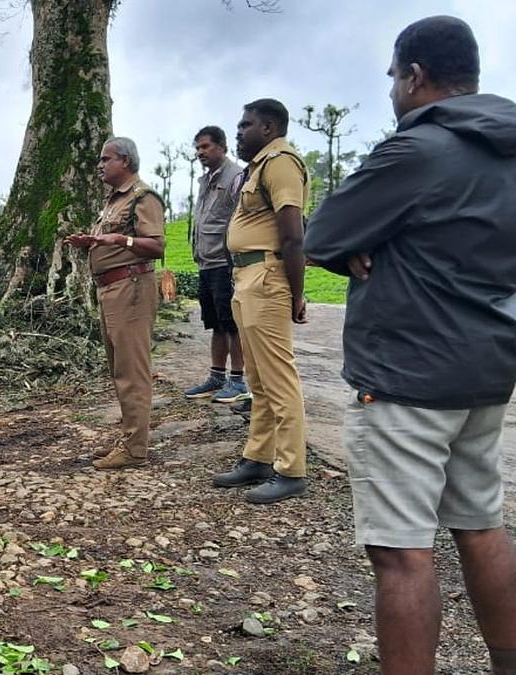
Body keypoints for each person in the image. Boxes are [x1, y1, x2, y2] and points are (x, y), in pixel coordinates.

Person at [305, 17, 516, 674]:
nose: (394, 91)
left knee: (402, 552)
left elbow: (324, 234)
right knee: (482, 525)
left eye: (395, 77)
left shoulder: (415, 152)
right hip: (486, 372)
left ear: (414, 75)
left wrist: (374, 243)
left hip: (405, 377)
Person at [210, 99, 310, 504]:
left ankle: (292, 469)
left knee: (278, 378)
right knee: (257, 378)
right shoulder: (259, 166)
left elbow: (293, 234)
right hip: (246, 276)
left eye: (245, 124)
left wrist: (296, 293)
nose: (238, 131)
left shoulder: (281, 161)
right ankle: (259, 457)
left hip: (267, 276)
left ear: (268, 128)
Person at [65, 137, 165, 470]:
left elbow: (156, 246)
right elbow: (109, 240)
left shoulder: (142, 198)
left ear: (124, 161)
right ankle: (130, 439)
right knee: (119, 370)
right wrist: (91, 243)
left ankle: (136, 450)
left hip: (132, 288)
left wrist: (120, 239)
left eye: (106, 159)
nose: (100, 165)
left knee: (132, 372)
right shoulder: (112, 201)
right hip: (111, 289)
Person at [183, 126, 248, 404]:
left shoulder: (236, 177)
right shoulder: (205, 180)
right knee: (216, 324)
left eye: (206, 147)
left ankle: (238, 381)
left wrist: (235, 260)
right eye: (198, 148)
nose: (200, 152)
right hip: (206, 263)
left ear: (222, 146)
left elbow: (238, 218)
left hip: (225, 262)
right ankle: (216, 376)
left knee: (232, 324)